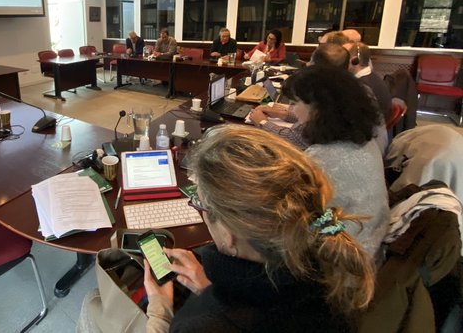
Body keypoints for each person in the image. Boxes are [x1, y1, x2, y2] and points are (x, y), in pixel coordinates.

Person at [143, 125, 375, 332]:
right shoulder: (335, 275)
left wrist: (160, 313)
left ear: (228, 235)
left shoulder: (202, 324)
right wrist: (211, 290)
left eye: (200, 204)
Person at [251, 65, 389, 260]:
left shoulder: (322, 159)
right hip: (369, 244)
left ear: (319, 109)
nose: (294, 110)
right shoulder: (365, 141)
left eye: (296, 103)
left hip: (340, 262)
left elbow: (283, 216)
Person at [345, 42, 392, 121]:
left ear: (354, 60)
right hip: (378, 126)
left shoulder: (362, 86)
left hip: (370, 129)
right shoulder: (374, 76)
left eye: (345, 58)